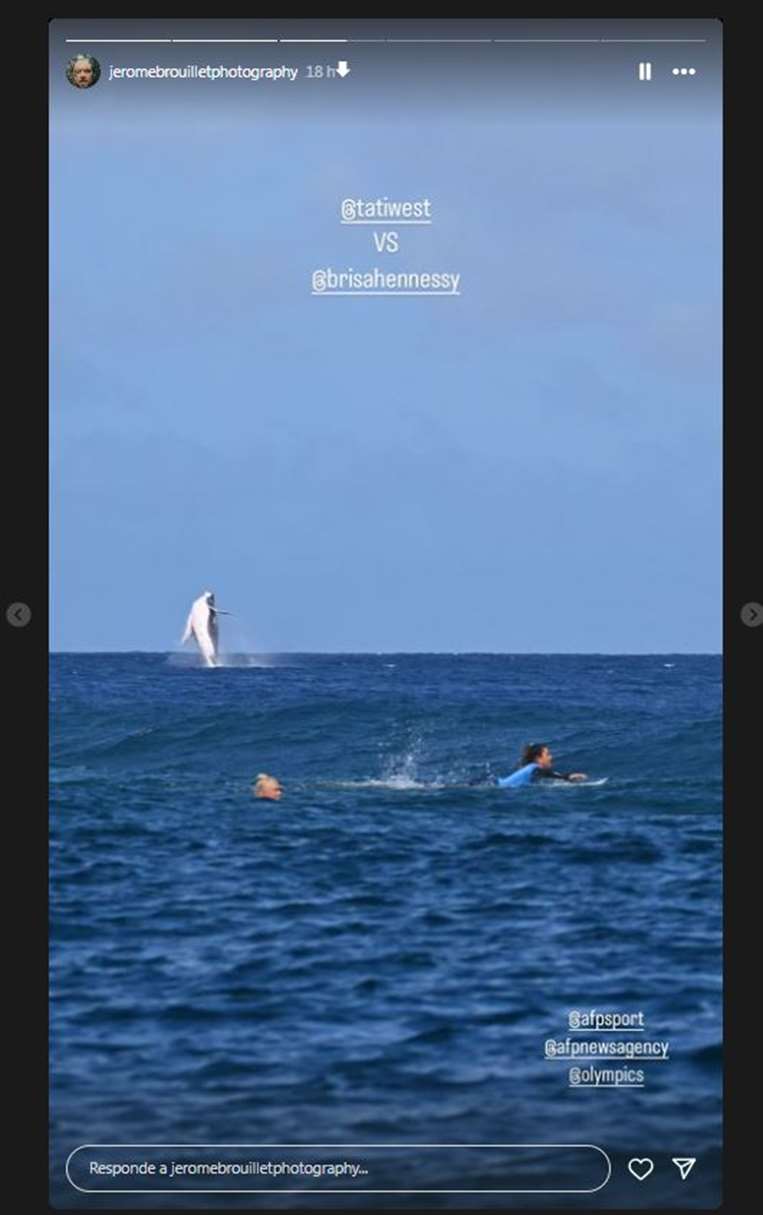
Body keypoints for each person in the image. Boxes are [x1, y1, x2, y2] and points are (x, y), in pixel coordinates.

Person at [497, 743, 587, 789]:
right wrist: (566, 777)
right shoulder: (534, 768)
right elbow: (544, 773)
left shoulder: (529, 768)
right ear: (538, 758)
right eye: (547, 754)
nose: (550, 757)